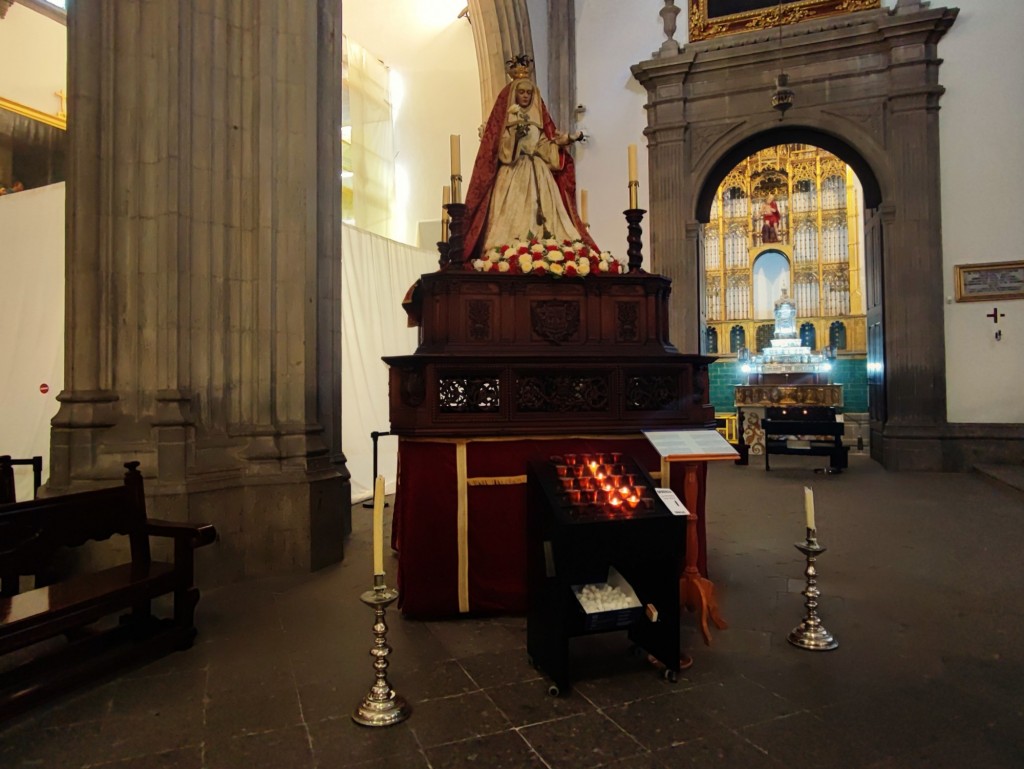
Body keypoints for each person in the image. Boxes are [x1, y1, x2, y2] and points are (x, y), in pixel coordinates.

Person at [463, 63, 599, 262]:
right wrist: (515, 137)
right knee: (513, 218)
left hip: (539, 174)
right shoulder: (507, 123)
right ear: (514, 95)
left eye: (529, 92)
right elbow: (503, 153)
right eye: (522, 92)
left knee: (547, 217)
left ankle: (544, 250)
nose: (526, 96)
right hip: (513, 173)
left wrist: (563, 142)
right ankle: (509, 252)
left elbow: (545, 149)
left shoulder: (538, 124)